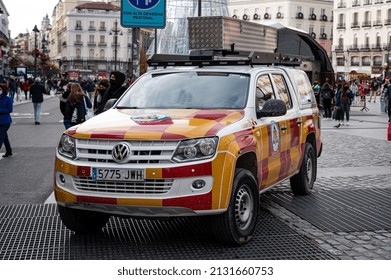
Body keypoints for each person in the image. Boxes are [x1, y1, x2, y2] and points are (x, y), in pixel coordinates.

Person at [0, 83, 13, 157]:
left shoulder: (8, 99)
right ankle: (9, 151)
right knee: (4, 137)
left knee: (0, 137)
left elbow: (10, 110)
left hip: (5, 121)